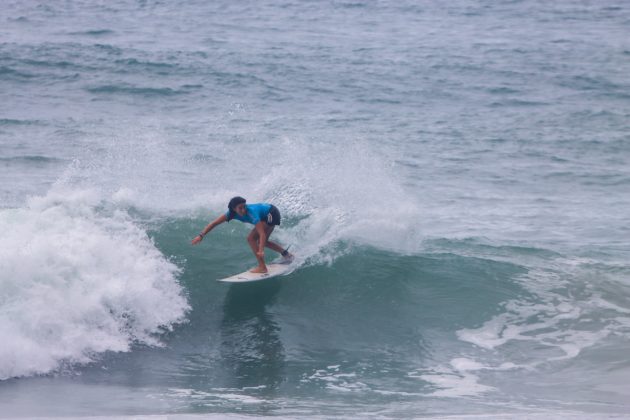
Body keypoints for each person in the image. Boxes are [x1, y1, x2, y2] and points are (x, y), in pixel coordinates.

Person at [191, 196, 293, 273]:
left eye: (244, 206)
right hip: (268, 212)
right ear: (233, 209)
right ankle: (286, 254)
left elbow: (262, 234)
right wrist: (201, 235)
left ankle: (262, 267)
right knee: (263, 242)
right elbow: (214, 223)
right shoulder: (230, 214)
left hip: (271, 213)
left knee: (251, 239)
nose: (243, 210)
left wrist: (261, 250)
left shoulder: (251, 212)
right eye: (240, 208)